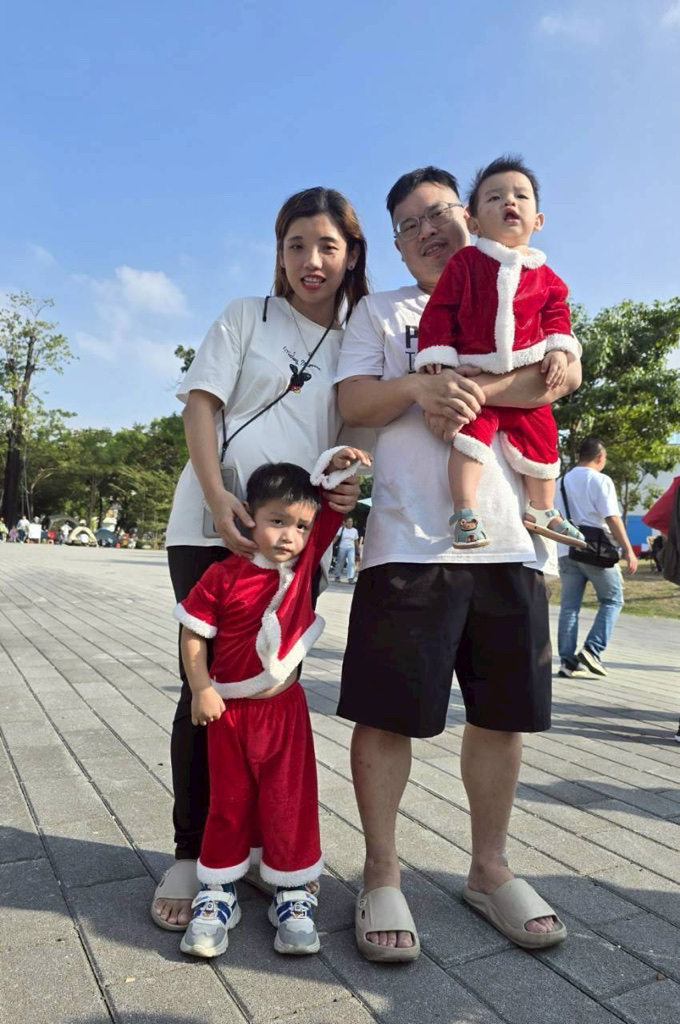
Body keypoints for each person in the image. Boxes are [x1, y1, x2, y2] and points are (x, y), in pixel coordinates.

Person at [335, 165, 582, 961]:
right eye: (408, 224)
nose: (428, 230)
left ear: (469, 218)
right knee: (386, 713)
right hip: (408, 542)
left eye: (439, 211)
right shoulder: (380, 312)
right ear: (397, 247)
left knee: (503, 715)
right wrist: (420, 386)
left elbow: (556, 379)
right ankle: (381, 873)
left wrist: (478, 386)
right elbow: (353, 401)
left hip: (511, 540)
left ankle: (489, 867)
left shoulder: (519, 284)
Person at [154, 186, 370, 932]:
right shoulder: (247, 316)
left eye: (328, 246)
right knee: (207, 689)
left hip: (290, 544)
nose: (312, 260)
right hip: (209, 526)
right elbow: (202, 404)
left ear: (351, 255)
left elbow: (346, 445)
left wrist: (345, 488)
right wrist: (219, 499)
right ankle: (192, 852)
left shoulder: (355, 342)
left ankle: (257, 851)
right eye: (295, 244)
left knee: (272, 695)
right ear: (279, 253)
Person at [175, 448, 369, 958]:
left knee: (289, 800)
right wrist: (201, 687)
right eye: (277, 521)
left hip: (285, 711)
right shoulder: (222, 575)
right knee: (228, 802)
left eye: (301, 526)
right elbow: (193, 633)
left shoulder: (304, 565)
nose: (289, 536)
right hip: (229, 712)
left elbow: (329, 502)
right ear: (249, 515)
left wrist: (340, 463)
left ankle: (292, 891)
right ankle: (218, 890)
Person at [416, 156, 584, 552]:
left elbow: (557, 317)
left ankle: (541, 508)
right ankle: (464, 510)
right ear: (473, 222)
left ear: (537, 220)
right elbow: (439, 310)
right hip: (474, 371)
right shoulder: (466, 263)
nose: (509, 202)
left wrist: (559, 349)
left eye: (520, 196)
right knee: (468, 442)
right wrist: (437, 356)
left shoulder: (547, 277)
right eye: (494, 197)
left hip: (528, 378)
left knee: (544, 441)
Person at [554, 437, 638, 678]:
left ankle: (567, 662)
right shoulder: (600, 480)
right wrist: (628, 549)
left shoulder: (560, 482)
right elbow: (611, 517)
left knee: (569, 607)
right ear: (600, 456)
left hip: (566, 549)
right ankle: (592, 650)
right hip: (596, 551)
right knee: (613, 600)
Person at [332, 515, 360, 582]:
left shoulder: (355, 530)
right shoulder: (342, 529)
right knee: (340, 562)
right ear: (345, 522)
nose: (350, 523)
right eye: (349, 521)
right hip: (342, 547)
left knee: (351, 562)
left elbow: (356, 541)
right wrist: (331, 545)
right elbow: (336, 537)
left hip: (351, 548)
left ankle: (350, 577)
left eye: (351, 521)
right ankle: (337, 576)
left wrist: (358, 549)